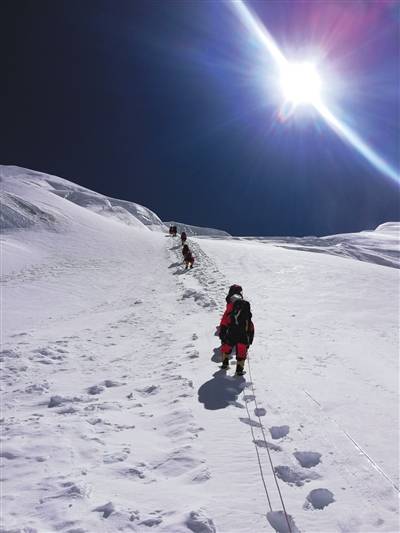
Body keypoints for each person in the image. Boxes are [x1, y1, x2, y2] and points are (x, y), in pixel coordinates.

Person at [218, 286, 254, 375]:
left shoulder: (230, 309)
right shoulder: (245, 310)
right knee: (242, 349)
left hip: (232, 331)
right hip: (243, 334)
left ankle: (225, 364)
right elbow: (250, 325)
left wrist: (222, 332)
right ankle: (239, 370)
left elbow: (224, 321)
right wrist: (250, 339)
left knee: (227, 345)